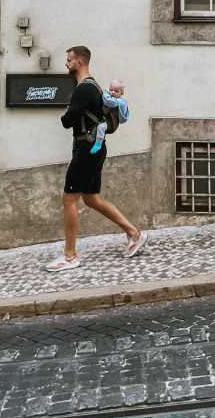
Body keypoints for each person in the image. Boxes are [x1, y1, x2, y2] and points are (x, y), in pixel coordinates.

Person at [45, 46, 148, 272]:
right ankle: (134, 234)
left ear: (79, 62)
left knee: (69, 198)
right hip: (94, 148)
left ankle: (69, 256)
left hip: (87, 148)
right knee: (91, 199)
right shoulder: (94, 86)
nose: (66, 63)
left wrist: (67, 112)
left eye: (69, 60)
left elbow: (67, 121)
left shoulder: (84, 89)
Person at [90, 79, 130, 154]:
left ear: (122, 93)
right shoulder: (112, 98)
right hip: (106, 121)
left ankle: (98, 144)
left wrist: (105, 92)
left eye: (116, 91)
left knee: (100, 127)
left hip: (112, 124)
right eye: (111, 90)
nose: (112, 92)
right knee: (99, 128)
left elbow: (108, 102)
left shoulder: (118, 102)